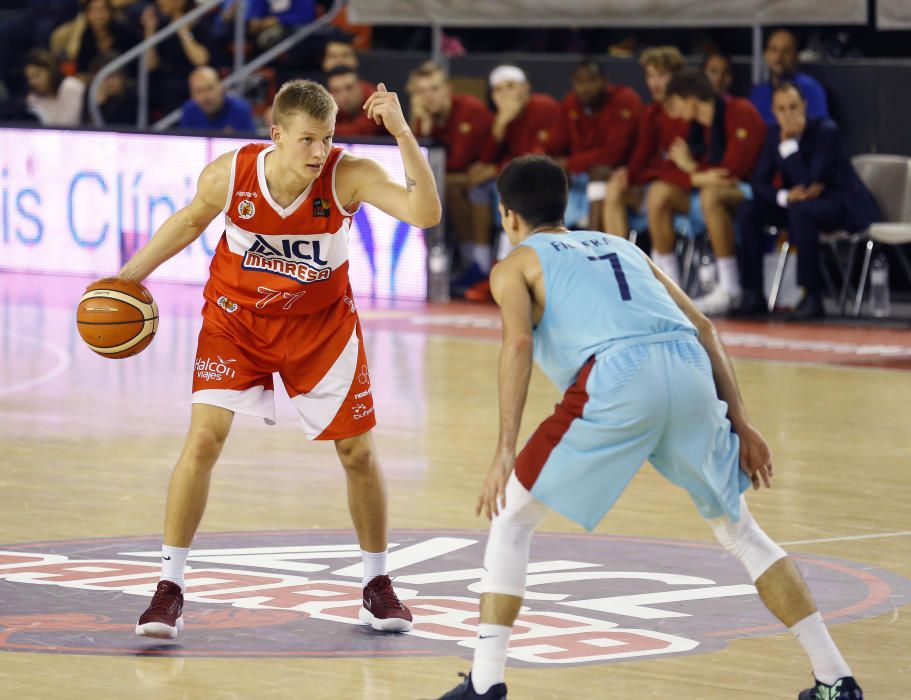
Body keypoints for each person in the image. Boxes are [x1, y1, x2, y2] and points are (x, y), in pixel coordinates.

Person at [432, 155, 863, 700]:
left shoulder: (514, 264)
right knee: (742, 534)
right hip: (687, 369)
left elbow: (517, 343)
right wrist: (743, 422)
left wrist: (504, 450)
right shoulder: (623, 245)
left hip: (616, 376)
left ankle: (487, 682)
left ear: (507, 214)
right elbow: (704, 326)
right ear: (565, 205)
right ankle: (835, 677)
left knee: (512, 518)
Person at [118, 78, 441, 640]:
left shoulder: (348, 175)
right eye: (307, 140)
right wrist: (124, 280)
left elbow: (426, 213)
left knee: (358, 452)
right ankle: (168, 588)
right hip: (236, 323)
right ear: (277, 135)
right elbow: (190, 221)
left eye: (328, 139)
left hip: (322, 328)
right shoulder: (231, 174)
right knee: (203, 439)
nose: (319, 152)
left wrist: (403, 132)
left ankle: (377, 585)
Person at [737, 82, 879, 319]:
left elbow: (808, 179)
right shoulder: (773, 135)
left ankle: (811, 296)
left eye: (793, 107)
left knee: (802, 211)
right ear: (773, 111)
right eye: (781, 109)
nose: (788, 114)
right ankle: (752, 293)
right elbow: (758, 182)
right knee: (750, 209)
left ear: (805, 106)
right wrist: (784, 196)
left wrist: (789, 146)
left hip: (841, 205)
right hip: (803, 205)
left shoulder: (826, 131)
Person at [454, 64, 566, 297]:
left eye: (511, 87)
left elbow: (536, 160)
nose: (505, 95)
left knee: (514, 194)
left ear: (526, 89)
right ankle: (483, 265)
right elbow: (485, 157)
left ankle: (506, 275)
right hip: (513, 176)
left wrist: (494, 168)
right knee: (478, 187)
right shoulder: (499, 117)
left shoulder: (544, 108)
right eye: (498, 90)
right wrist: (500, 124)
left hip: (550, 179)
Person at [661, 69, 766, 315]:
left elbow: (731, 173)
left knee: (712, 194)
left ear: (690, 99)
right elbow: (666, 170)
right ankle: (671, 289)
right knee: (660, 193)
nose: (672, 111)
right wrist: (696, 175)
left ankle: (730, 288)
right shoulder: (697, 128)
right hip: (717, 189)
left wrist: (692, 169)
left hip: (755, 191)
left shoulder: (739, 111)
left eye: (674, 103)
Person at [406, 60, 493, 282]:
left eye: (434, 89)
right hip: (456, 183)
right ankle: (446, 263)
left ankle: (477, 261)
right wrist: (423, 129)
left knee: (461, 189)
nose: (429, 97)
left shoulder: (470, 110)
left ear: (447, 89)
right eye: (421, 91)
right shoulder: (420, 119)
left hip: (487, 178)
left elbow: (457, 162)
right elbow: (413, 168)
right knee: (434, 190)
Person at [601, 45, 687, 268]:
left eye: (661, 75)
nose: (655, 83)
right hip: (656, 184)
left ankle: (668, 277)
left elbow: (680, 167)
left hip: (683, 188)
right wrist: (628, 175)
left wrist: (648, 175)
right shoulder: (651, 114)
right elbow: (639, 160)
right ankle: (620, 269)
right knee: (615, 187)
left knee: (658, 191)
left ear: (676, 76)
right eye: (650, 75)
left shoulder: (689, 111)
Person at [557, 59, 642, 231]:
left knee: (600, 173)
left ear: (604, 80)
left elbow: (613, 155)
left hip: (623, 175)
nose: (586, 88)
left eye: (591, 80)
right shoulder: (570, 103)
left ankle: (594, 244)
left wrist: (568, 163)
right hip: (580, 178)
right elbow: (555, 143)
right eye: (580, 82)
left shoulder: (625, 99)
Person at [141, 0, 211, 116]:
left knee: (172, 89)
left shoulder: (199, 20)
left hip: (191, 79)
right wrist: (150, 30)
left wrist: (183, 32)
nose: (159, 2)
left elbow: (201, 60)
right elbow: (150, 64)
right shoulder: (163, 24)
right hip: (166, 79)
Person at [749, 28, 829, 126]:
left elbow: (821, 129)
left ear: (796, 55)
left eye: (786, 51)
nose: (779, 57)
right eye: (774, 50)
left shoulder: (811, 88)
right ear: (766, 54)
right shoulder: (758, 92)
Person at [179, 65, 256, 133]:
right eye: (199, 91)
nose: (205, 96)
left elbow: (251, 145)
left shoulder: (240, 110)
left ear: (221, 87)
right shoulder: (189, 110)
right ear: (192, 95)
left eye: (210, 88)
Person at [23, 48, 85, 126]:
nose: (33, 82)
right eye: (30, 78)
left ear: (50, 71)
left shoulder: (71, 87)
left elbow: (67, 127)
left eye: (37, 75)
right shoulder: (33, 97)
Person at [327, 65, 385, 138]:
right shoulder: (328, 104)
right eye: (336, 91)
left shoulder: (375, 100)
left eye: (349, 88)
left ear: (360, 86)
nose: (344, 96)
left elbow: (360, 132)